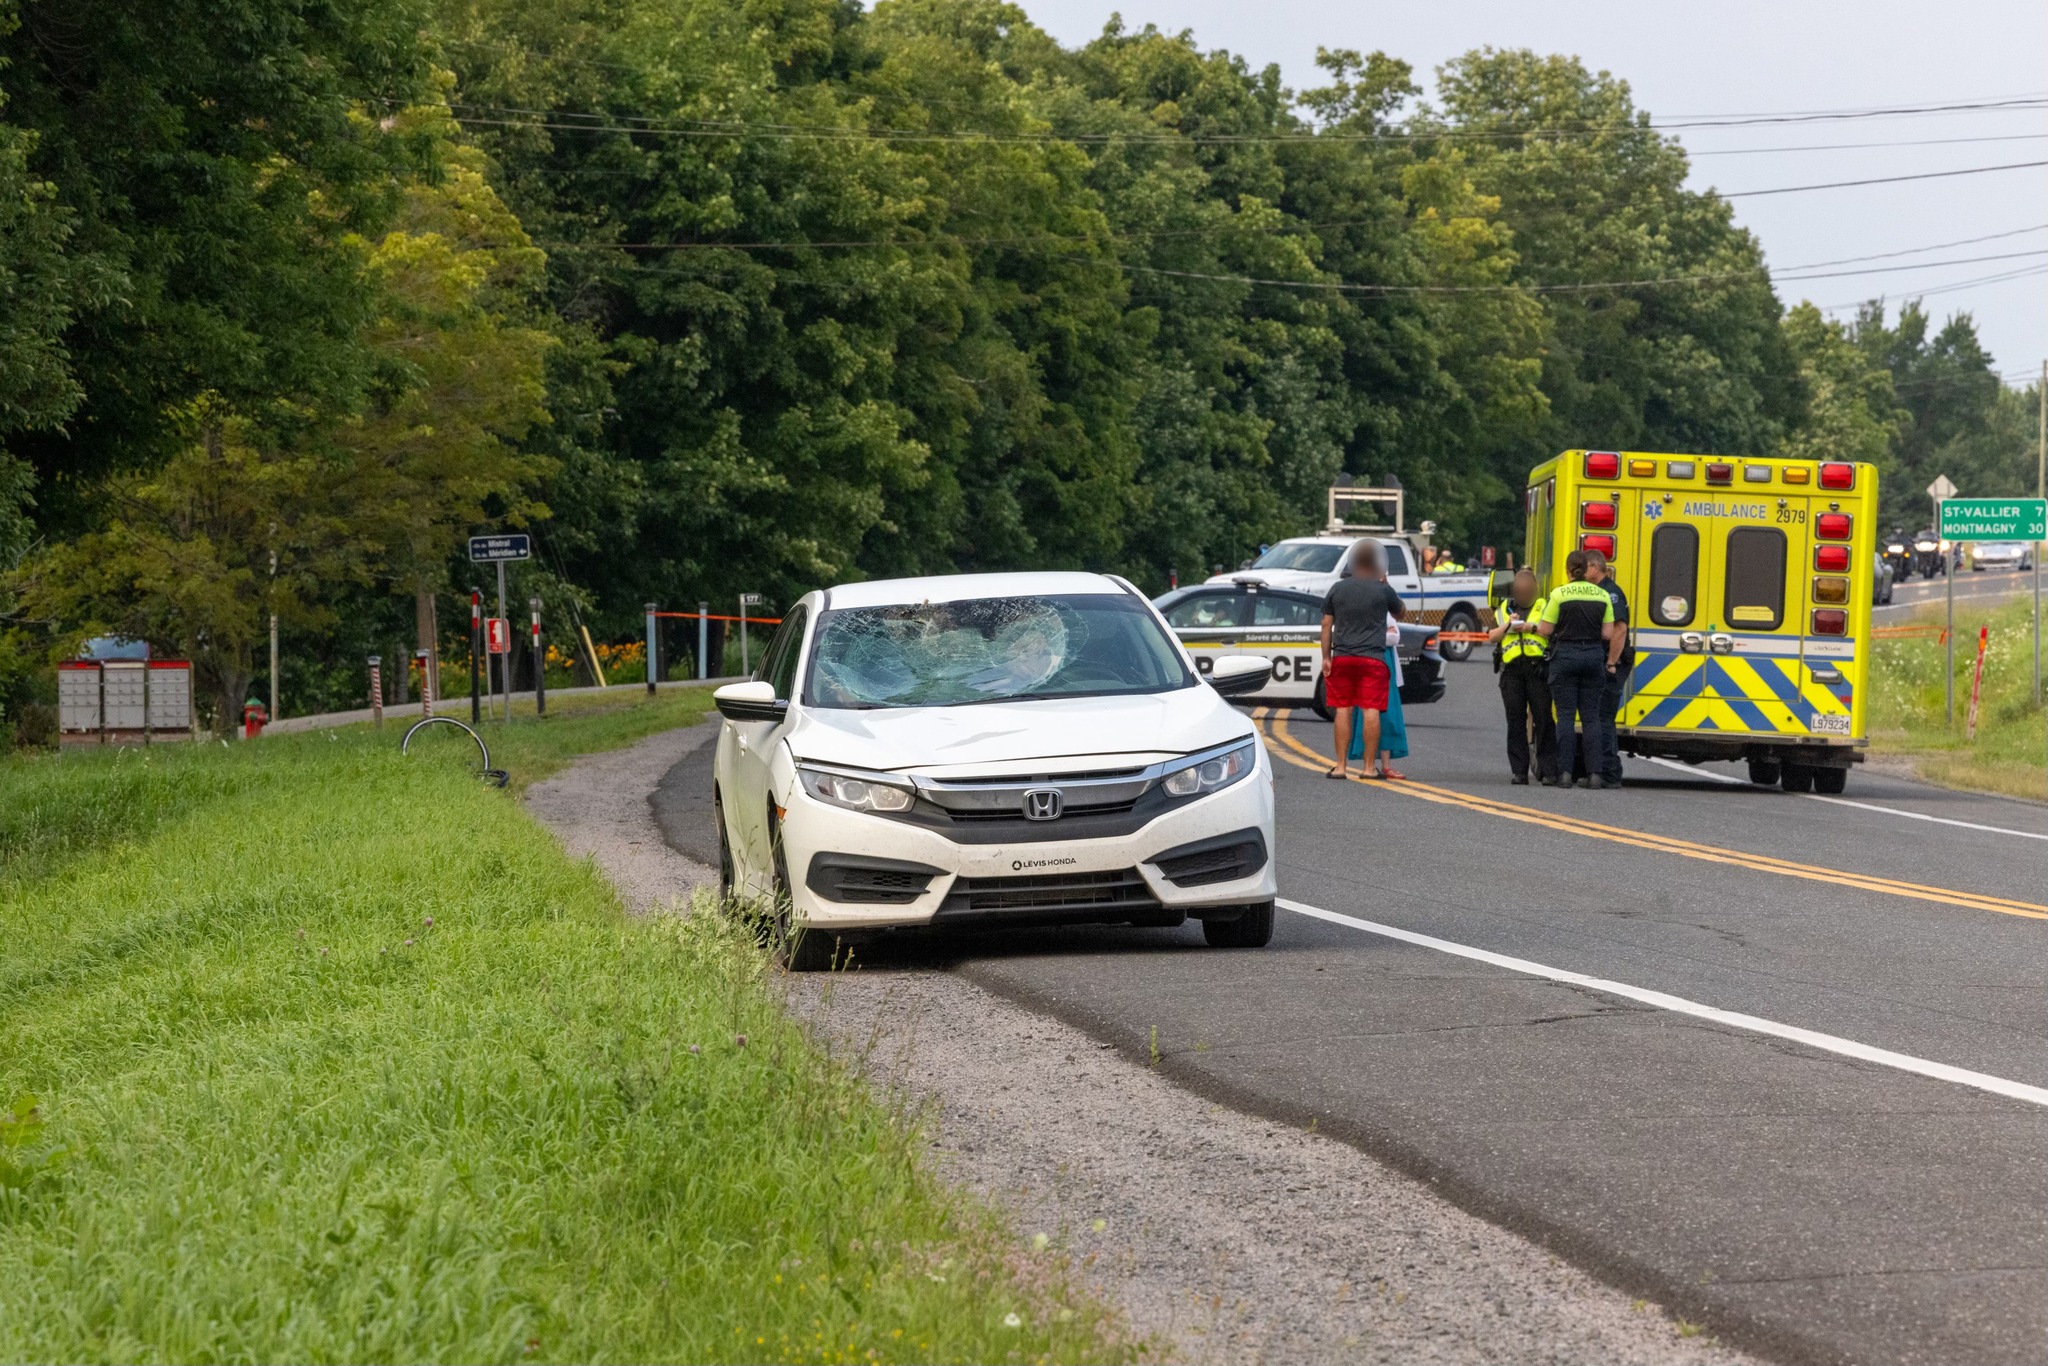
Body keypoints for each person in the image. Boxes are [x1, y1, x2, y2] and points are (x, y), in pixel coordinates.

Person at [1320, 540, 1406, 779]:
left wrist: (1326, 657)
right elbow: (1400, 613)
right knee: (1371, 710)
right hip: (1373, 659)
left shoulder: (1338, 588)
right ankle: (1369, 768)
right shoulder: (1382, 589)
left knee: (1343, 710)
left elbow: (1327, 624)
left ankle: (1340, 766)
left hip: (1343, 657)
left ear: (1353, 561)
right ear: (1378, 563)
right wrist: (1387, 586)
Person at [1536, 549, 1620, 789]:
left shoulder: (1559, 594)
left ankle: (1564, 773)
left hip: (1565, 657)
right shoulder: (1602, 595)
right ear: (1587, 567)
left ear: (1568, 570)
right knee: (1591, 717)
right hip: (1593, 657)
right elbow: (1607, 633)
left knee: (1564, 717)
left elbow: (1545, 629)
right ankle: (1595, 774)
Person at [1487, 569, 1558, 786]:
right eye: (1519, 590)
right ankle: (1519, 771)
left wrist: (1531, 627)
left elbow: (1552, 632)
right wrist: (1509, 624)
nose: (1523, 593)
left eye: (1527, 589)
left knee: (1543, 720)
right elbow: (1491, 636)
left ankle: (1548, 771)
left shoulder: (1545, 606)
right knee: (1515, 721)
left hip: (1537, 670)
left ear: (1535, 589)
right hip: (1512, 671)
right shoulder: (1504, 610)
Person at [1582, 549, 1631, 787]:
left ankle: (1610, 774)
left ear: (1594, 568)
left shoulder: (1611, 593)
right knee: (1600, 717)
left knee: (1604, 718)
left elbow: (1620, 629)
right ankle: (1602, 771)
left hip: (1613, 663)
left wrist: (1611, 663)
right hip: (1604, 661)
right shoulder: (1599, 591)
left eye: (1584, 568)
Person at [1346, 615, 1408, 778]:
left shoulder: (1384, 606)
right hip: (1368, 659)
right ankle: (1369, 764)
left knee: (1386, 713)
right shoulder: (1361, 603)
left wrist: (1372, 634)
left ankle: (1385, 765)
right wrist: (1380, 633)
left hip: (1383, 661)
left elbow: (1394, 637)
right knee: (1368, 711)